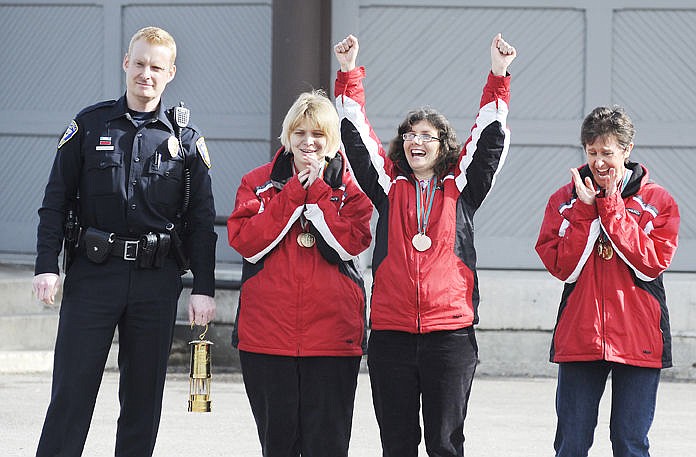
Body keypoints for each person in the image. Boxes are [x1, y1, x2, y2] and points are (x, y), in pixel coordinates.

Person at [32, 26, 217, 457]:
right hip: (94, 275)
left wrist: (204, 289)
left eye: (156, 67)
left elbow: (201, 222)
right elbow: (55, 201)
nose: (145, 74)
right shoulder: (89, 124)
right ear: (125, 63)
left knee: (142, 400)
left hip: (155, 281)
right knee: (71, 394)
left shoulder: (185, 141)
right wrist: (46, 264)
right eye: (138, 64)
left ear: (170, 72)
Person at [334, 34, 516, 457]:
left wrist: (499, 76)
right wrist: (348, 74)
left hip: (450, 335)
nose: (416, 141)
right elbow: (355, 136)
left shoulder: (461, 189)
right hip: (391, 335)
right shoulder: (388, 186)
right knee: (396, 444)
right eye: (410, 134)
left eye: (427, 135)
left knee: (445, 444)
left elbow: (488, 139)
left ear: (443, 146)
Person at [226, 90, 373, 457]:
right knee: (278, 446)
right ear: (287, 137)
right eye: (300, 133)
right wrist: (293, 195)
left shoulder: (350, 189)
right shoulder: (256, 182)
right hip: (267, 339)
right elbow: (247, 243)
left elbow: (349, 245)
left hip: (333, 338)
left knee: (328, 446)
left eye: (319, 134)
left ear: (332, 140)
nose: (309, 142)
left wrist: (318, 194)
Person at [535, 106, 680, 457]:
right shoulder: (565, 200)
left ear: (627, 151)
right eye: (592, 152)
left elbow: (650, 264)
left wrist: (611, 207)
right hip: (580, 336)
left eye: (608, 153)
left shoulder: (658, 201)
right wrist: (587, 212)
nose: (599, 163)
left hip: (639, 337)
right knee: (571, 443)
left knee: (630, 444)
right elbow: (561, 267)